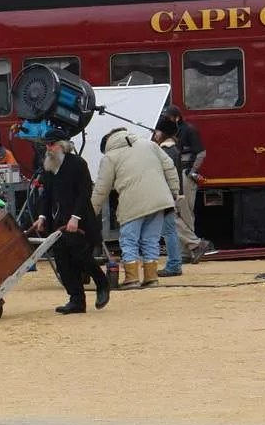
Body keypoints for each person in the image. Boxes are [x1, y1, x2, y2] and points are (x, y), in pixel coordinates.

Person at [91, 127, 180, 290]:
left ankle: (132, 279)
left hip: (132, 203)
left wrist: (90, 212)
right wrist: (174, 192)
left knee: (129, 240)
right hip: (159, 199)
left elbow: (101, 189)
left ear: (107, 145)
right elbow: (170, 167)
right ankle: (151, 278)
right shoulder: (150, 145)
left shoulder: (110, 157)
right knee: (151, 239)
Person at [32, 130, 110, 314]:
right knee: (62, 262)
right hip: (57, 222)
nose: (48, 148)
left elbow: (84, 193)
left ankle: (102, 282)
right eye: (47, 145)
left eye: (52, 144)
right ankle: (76, 300)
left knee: (80, 256)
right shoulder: (49, 166)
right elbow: (47, 196)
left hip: (80, 220)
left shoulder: (78, 164)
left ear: (63, 145)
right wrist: (42, 217)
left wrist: (75, 218)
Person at [161, 105, 213, 263]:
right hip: (178, 172)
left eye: (168, 118)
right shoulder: (177, 131)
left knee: (185, 213)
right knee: (180, 213)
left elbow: (201, 153)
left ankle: (191, 249)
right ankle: (189, 249)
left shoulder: (189, 130)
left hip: (183, 173)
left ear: (176, 118)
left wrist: (191, 171)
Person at [154, 118, 186, 278]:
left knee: (168, 231)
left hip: (164, 195)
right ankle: (174, 263)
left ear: (163, 132)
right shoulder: (173, 149)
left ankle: (174, 264)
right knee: (169, 230)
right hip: (169, 195)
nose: (155, 134)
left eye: (157, 131)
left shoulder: (165, 151)